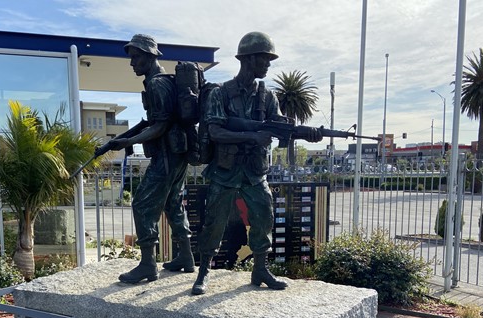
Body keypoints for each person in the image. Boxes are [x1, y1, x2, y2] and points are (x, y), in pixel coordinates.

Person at [192, 32, 322, 295]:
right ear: (249, 59)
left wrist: (308, 133)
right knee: (215, 221)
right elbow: (215, 132)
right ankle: (204, 270)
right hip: (226, 170)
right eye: (265, 59)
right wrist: (252, 135)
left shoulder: (269, 97)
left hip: (254, 171)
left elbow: (279, 127)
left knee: (264, 216)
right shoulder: (221, 94)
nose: (268, 64)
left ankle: (260, 269)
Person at [103, 34, 195, 284]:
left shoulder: (156, 84)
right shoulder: (164, 81)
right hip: (176, 156)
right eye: (132, 58)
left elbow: (161, 126)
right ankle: (186, 258)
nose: (132, 63)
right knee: (173, 204)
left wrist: (128, 142)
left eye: (136, 57)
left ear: (151, 56)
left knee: (142, 205)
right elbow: (155, 121)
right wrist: (131, 134)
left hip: (166, 156)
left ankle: (147, 265)